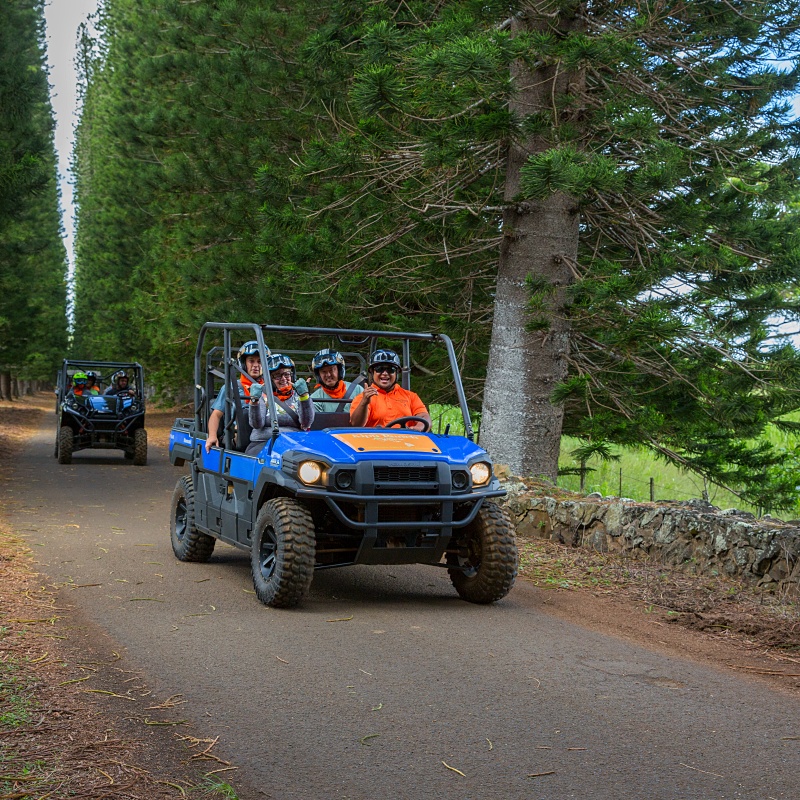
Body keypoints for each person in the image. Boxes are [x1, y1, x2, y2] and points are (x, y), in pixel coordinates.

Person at [246, 354, 314, 455]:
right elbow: (256, 424)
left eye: (287, 374)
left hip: (294, 444)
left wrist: (304, 396)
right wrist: (254, 401)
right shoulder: (263, 396)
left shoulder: (298, 395)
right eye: (277, 376)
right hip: (263, 443)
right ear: (269, 379)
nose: (283, 379)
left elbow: (306, 423)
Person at [205, 341, 267, 453]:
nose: (256, 365)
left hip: (263, 434)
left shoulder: (269, 388)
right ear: (243, 364)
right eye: (251, 361)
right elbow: (216, 415)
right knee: (243, 415)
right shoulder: (231, 387)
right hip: (240, 436)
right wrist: (212, 436)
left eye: (260, 361)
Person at [349, 349, 431, 431]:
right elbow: (356, 424)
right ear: (372, 372)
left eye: (390, 369)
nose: (385, 373)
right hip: (374, 441)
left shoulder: (410, 396)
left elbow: (424, 417)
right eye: (379, 369)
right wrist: (364, 403)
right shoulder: (363, 398)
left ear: (396, 373)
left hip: (406, 440)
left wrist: (418, 428)